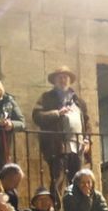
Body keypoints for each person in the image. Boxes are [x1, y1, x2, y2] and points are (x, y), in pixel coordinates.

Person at [33, 67, 93, 196]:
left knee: (77, 180)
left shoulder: (78, 100)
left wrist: (87, 140)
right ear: (54, 80)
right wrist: (57, 113)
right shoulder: (47, 97)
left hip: (78, 146)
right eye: (59, 77)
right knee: (58, 180)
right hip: (57, 146)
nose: (63, 80)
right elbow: (37, 116)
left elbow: (87, 122)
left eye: (66, 77)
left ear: (70, 80)